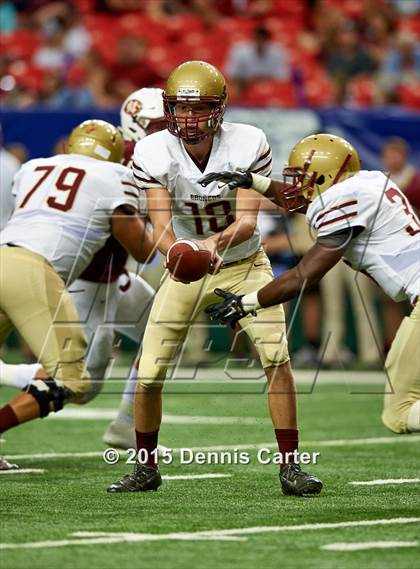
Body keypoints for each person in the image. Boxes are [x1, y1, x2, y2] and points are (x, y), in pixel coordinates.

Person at [107, 60, 322, 496]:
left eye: (198, 108)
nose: (187, 118)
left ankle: (290, 467)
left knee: (276, 360)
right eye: (180, 109)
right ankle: (145, 467)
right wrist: (178, 253)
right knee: (149, 372)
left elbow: (246, 222)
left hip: (243, 264)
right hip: (184, 270)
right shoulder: (153, 151)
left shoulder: (247, 142)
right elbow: (161, 226)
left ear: (218, 109)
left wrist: (208, 248)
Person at [199, 133, 420, 435]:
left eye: (305, 178)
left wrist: (246, 303)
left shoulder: (344, 200)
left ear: (327, 177)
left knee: (400, 412)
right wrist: (253, 181)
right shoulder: (367, 181)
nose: (297, 186)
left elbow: (304, 275)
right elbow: (305, 201)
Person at [0, 89, 167, 452]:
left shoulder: (34, 167)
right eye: (161, 125)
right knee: (79, 386)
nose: (171, 132)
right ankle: (10, 373)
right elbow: (144, 248)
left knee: (168, 326)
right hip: (74, 280)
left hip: (100, 277)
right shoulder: (118, 172)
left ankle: (128, 428)